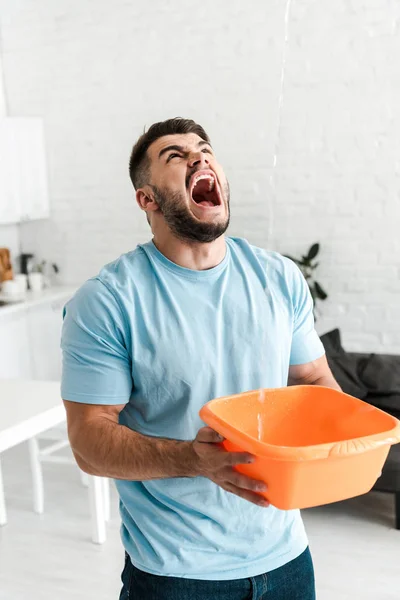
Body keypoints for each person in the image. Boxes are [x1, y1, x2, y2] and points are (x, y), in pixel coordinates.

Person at [61, 117, 341, 600]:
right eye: (176, 155)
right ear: (147, 199)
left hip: (288, 558)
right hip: (175, 574)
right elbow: (89, 442)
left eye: (205, 149)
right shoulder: (108, 300)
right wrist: (195, 460)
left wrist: (338, 439)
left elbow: (314, 377)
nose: (199, 157)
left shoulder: (280, 278)